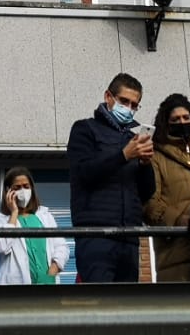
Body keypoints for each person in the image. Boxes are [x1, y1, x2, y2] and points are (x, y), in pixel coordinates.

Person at [66, 73, 154, 283]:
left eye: (134, 105)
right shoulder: (85, 129)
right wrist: (124, 155)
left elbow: (147, 192)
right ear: (108, 96)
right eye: (124, 101)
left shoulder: (133, 137)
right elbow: (84, 173)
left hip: (129, 236)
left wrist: (145, 164)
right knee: (99, 304)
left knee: (126, 307)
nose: (129, 109)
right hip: (96, 234)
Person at [142, 92, 190, 283]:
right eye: (176, 119)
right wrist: (179, 220)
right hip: (177, 249)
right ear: (166, 123)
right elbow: (150, 202)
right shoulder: (155, 156)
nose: (182, 122)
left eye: (186, 117)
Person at [0, 167, 68, 285]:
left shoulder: (45, 216)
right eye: (17, 187)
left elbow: (61, 246)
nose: (23, 191)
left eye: (26, 186)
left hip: (48, 284)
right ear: (8, 191)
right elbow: (2, 247)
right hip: (17, 288)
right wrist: (14, 212)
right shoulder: (0, 220)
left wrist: (54, 269)